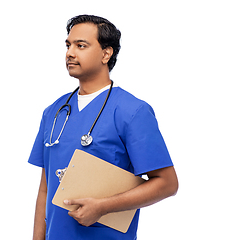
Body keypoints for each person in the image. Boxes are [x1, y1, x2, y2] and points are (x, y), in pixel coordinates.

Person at [28, 14, 178, 240]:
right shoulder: (53, 112)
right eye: (68, 45)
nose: (70, 53)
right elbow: (45, 189)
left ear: (106, 53)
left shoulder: (132, 111)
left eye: (81, 45)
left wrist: (103, 206)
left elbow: (167, 183)